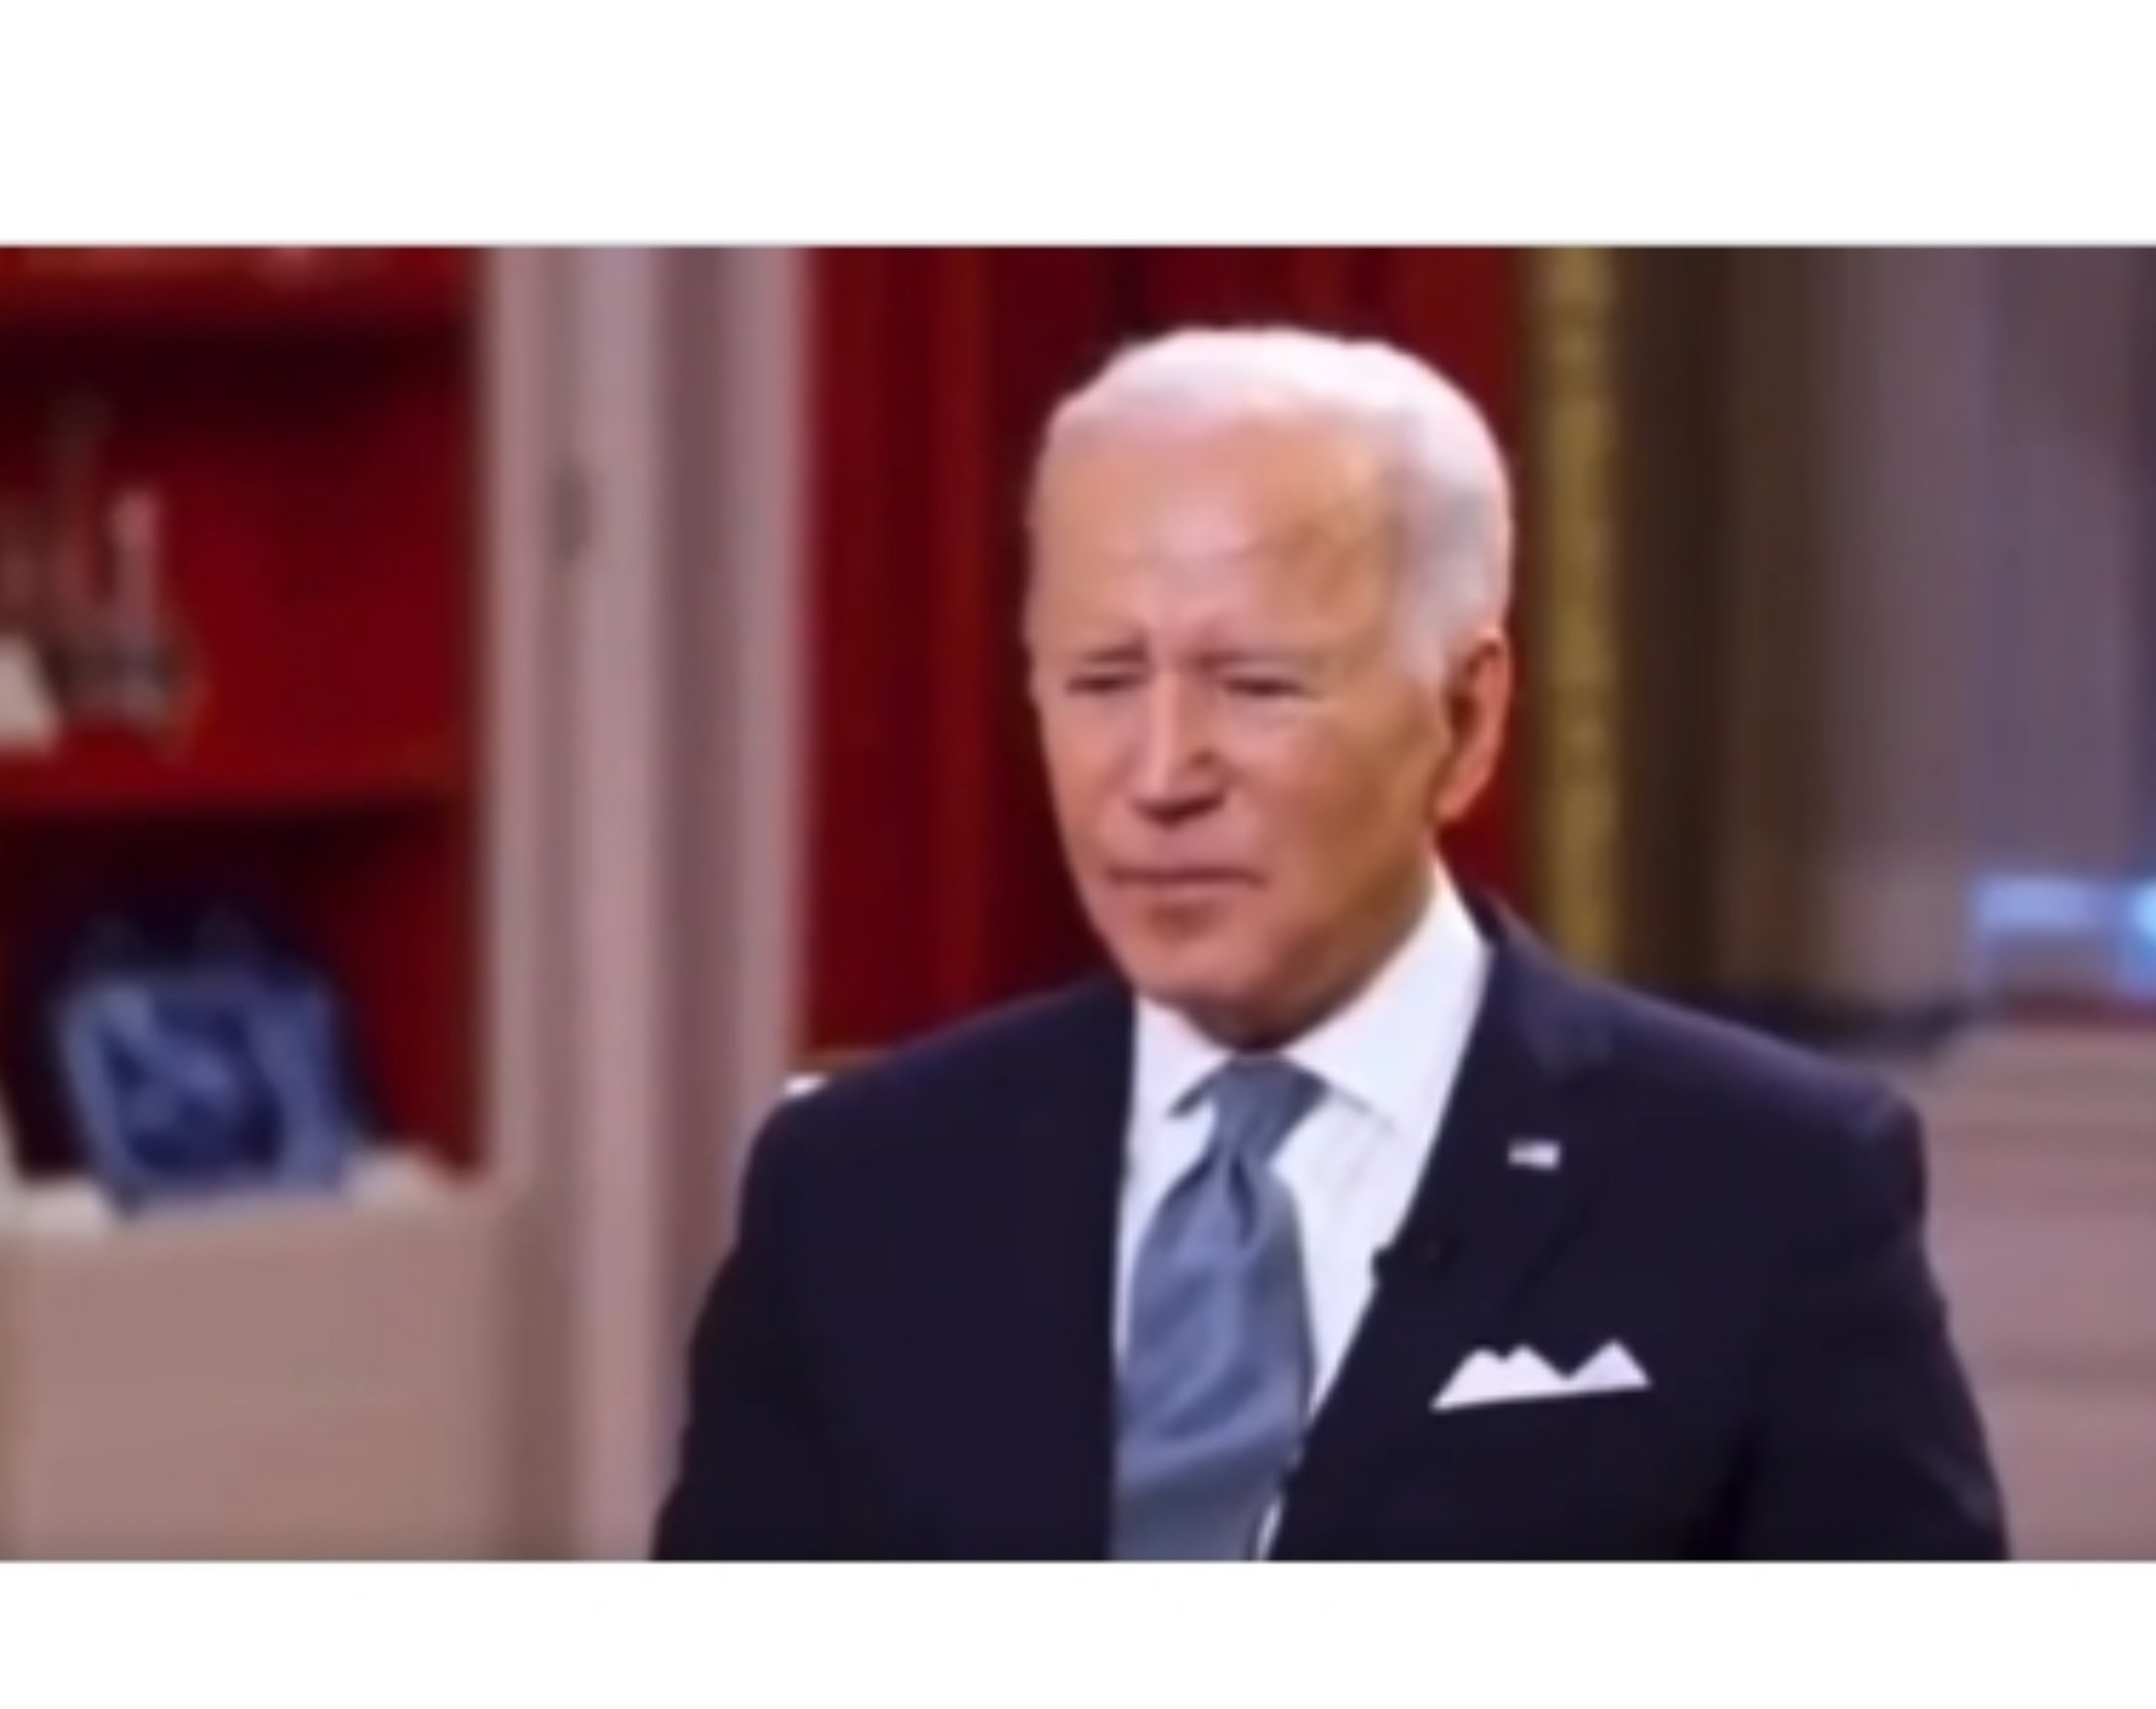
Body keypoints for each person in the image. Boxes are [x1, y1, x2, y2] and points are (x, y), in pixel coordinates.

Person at [653, 327, 2007, 1561]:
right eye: (1102, 681)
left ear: (1465, 720)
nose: (1161, 774)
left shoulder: (1764, 1188)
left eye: (1257, 686)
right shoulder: (858, 1190)